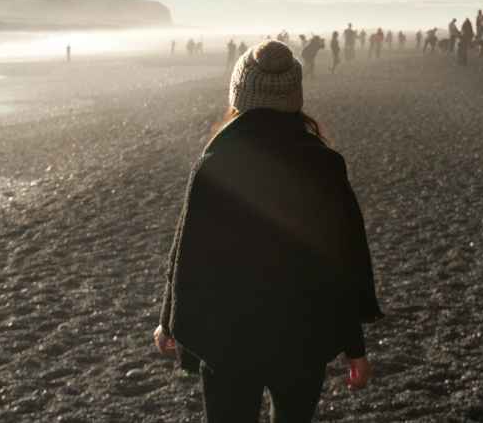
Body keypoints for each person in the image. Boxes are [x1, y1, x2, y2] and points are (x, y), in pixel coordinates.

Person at [154, 40, 382, 422]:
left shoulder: (216, 161)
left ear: (239, 94)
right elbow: (347, 260)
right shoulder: (323, 164)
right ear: (295, 97)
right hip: (303, 337)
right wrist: (353, 346)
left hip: (228, 339)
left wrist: (169, 322)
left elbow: (189, 253)